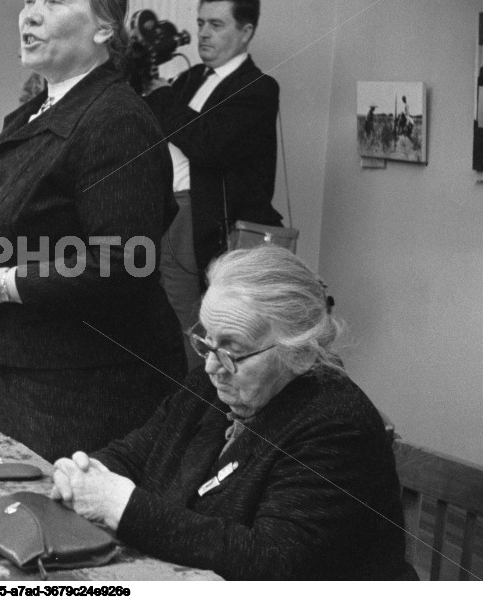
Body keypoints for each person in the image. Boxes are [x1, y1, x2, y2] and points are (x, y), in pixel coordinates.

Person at [0, 0, 185, 462]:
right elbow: (24, 233)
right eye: (27, 0)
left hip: (89, 390)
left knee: (61, 533)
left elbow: (124, 261)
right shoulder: (27, 116)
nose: (30, 14)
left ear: (105, 28)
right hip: (24, 374)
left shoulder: (115, 120)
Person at [50, 246, 414, 580]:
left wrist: (119, 505)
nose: (211, 365)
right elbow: (135, 454)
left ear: (299, 353)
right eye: (207, 341)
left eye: (231, 351)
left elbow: (270, 560)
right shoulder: (214, 382)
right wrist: (84, 472)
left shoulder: (336, 424)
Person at [143, 0, 281, 370]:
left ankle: (196, 406)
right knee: (160, 314)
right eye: (201, 22)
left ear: (246, 31)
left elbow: (208, 145)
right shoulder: (188, 80)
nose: (203, 33)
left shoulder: (258, 88)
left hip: (200, 221)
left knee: (193, 321)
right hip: (166, 207)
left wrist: (161, 95)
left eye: (217, 24)